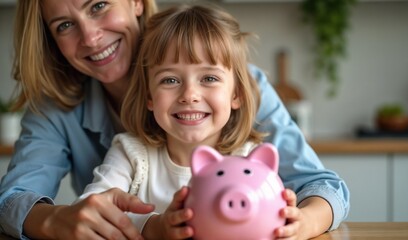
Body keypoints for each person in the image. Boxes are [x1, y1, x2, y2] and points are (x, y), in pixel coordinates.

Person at [0, 0, 349, 239]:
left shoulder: (245, 86)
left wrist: (302, 222)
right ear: (150, 99)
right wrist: (57, 220)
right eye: (64, 25)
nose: (90, 37)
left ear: (135, 1)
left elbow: (321, 187)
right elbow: (11, 201)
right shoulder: (61, 112)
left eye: (99, 5)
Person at [76, 4, 270, 239]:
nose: (189, 94)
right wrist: (153, 226)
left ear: (236, 94)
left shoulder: (250, 160)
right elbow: (90, 209)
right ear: (149, 96)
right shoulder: (131, 154)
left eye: (209, 78)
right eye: (169, 80)